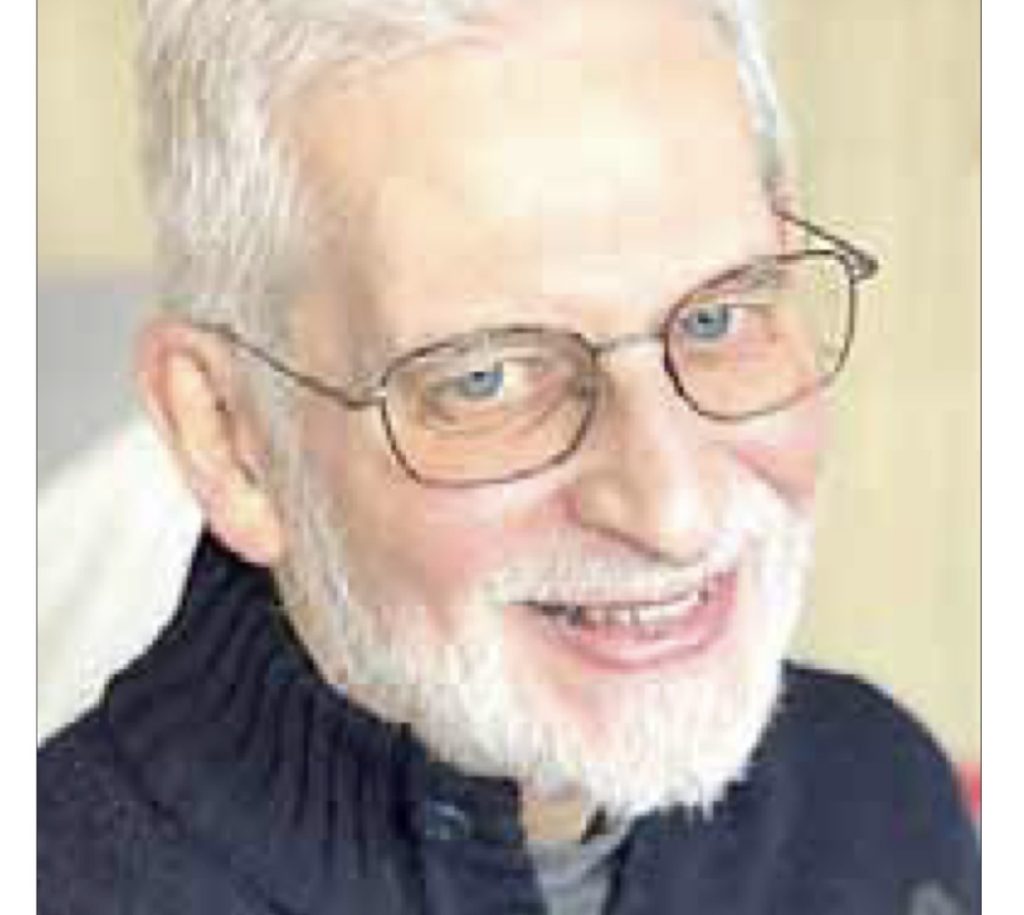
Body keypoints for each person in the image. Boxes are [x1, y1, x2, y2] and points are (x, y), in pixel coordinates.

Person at [37, 0, 980, 912]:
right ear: (229, 436)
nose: (674, 510)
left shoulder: (877, 806)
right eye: (486, 379)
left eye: (717, 318)